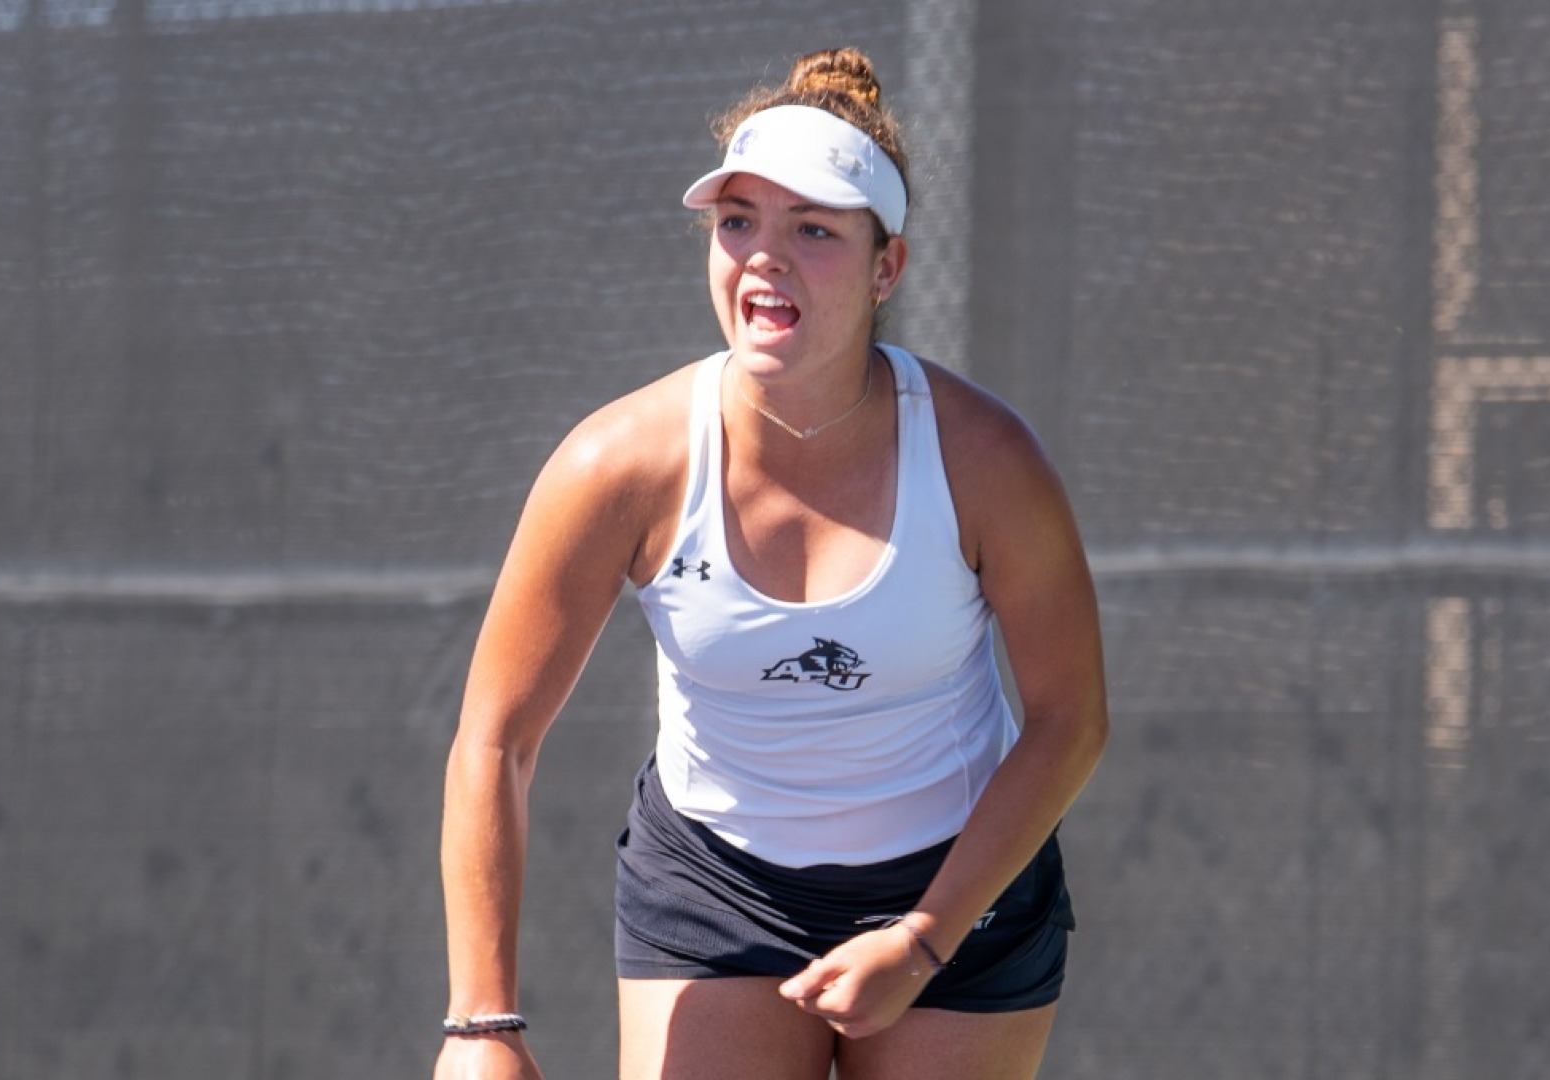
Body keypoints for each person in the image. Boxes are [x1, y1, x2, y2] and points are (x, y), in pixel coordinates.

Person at [434, 47, 1107, 1080]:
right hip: (713, 890)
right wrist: (480, 1026)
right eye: (736, 221)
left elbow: (1069, 721)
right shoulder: (617, 462)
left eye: (814, 230)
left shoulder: (986, 459)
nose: (762, 258)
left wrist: (923, 938)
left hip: (959, 890)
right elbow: (495, 738)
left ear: (888, 267)